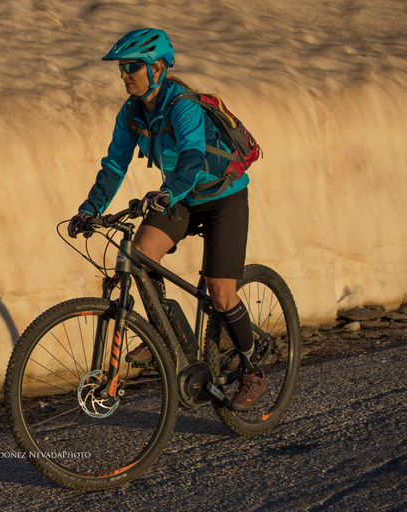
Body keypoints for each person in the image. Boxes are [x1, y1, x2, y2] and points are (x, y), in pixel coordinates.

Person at [67, 28, 266, 411]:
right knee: (141, 255)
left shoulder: (182, 105)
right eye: (122, 68)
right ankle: (170, 333)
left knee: (222, 293)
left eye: (132, 66)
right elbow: (114, 165)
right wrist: (89, 208)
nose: (124, 74)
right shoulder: (131, 113)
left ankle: (252, 368)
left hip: (222, 197)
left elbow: (192, 157)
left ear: (157, 69)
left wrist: (167, 193)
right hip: (179, 196)